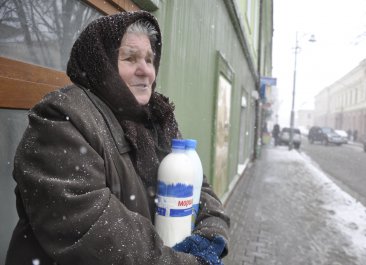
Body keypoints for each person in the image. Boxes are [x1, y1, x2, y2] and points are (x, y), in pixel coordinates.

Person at [6, 11, 229, 265]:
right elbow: (96, 234)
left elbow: (201, 190)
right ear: (102, 64)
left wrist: (208, 240)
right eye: (130, 58)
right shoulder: (62, 118)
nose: (146, 70)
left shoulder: (158, 120)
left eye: (149, 59)